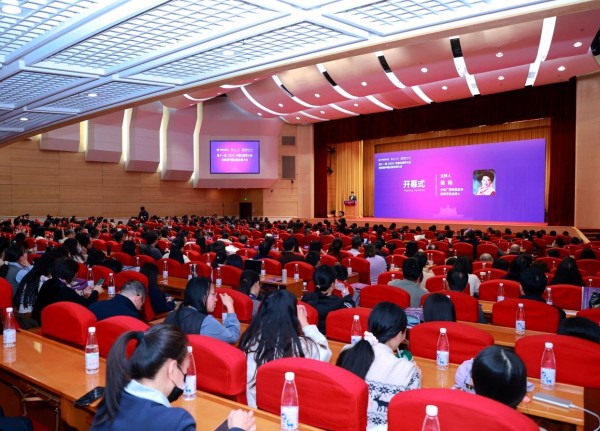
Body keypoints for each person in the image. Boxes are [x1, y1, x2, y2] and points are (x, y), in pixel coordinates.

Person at [90, 324, 255, 431]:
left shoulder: (110, 401)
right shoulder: (176, 422)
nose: (184, 380)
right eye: (184, 372)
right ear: (172, 368)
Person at [238, 289, 331, 408]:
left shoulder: (250, 340)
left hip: (254, 407)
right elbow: (325, 351)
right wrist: (305, 323)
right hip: (286, 409)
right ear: (293, 317)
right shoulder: (300, 346)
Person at [336, 302, 420, 428]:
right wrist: (418, 379)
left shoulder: (347, 351)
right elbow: (409, 414)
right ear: (399, 335)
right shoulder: (408, 370)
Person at [165, 277, 240, 344]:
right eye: (213, 294)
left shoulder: (171, 315)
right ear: (202, 296)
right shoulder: (206, 322)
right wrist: (230, 306)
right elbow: (234, 336)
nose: (216, 299)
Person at [32, 258, 104, 325]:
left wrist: (83, 292)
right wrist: (96, 291)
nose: (76, 275)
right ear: (70, 273)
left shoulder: (49, 282)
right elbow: (88, 305)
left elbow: (71, 297)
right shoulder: (64, 290)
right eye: (76, 273)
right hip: (46, 325)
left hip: (40, 319)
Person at [301, 265, 354, 333]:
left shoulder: (305, 298)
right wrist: (347, 296)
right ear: (332, 284)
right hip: (329, 337)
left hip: (308, 335)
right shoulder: (340, 303)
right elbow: (352, 309)